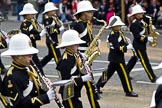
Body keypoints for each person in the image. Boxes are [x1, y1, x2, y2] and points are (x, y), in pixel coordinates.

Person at [1, 33, 55, 108]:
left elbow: (34, 92)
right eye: (27, 54)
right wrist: (45, 98)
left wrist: (43, 88)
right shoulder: (12, 77)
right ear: (17, 56)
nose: (31, 57)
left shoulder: (30, 68)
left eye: (31, 54)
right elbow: (19, 104)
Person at [56, 29, 100, 108]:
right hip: (68, 93)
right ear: (69, 45)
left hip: (75, 91)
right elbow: (66, 80)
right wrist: (82, 79)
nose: (78, 46)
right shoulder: (65, 61)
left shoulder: (75, 54)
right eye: (76, 44)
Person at [96, 15, 138, 97]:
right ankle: (128, 90)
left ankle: (97, 86)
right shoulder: (112, 36)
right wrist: (127, 47)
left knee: (108, 74)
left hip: (116, 58)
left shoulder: (119, 33)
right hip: (117, 58)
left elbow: (122, 40)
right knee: (125, 74)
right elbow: (117, 47)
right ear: (113, 26)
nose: (119, 26)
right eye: (118, 25)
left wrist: (126, 41)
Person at [70, 1, 101, 107]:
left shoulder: (86, 23)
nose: (92, 13)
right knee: (79, 86)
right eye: (90, 11)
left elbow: (88, 39)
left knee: (90, 86)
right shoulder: (75, 25)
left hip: (87, 57)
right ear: (83, 13)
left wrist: (95, 42)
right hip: (79, 57)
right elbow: (74, 42)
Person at [129, 4, 157, 83]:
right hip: (138, 46)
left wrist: (151, 27)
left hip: (141, 45)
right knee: (145, 61)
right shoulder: (134, 24)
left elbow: (146, 27)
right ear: (136, 15)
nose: (142, 14)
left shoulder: (141, 20)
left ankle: (126, 72)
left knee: (134, 59)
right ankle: (152, 77)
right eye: (140, 13)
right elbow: (137, 36)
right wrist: (147, 38)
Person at [19, 3, 47, 75]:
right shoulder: (25, 24)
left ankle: (38, 76)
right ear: (27, 14)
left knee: (33, 63)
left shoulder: (32, 21)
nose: (33, 15)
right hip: (28, 45)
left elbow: (35, 31)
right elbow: (27, 36)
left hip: (32, 45)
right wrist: (41, 34)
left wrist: (41, 30)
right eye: (31, 13)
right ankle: (42, 76)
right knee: (35, 63)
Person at [40, 2, 64, 67]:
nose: (54, 11)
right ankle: (61, 71)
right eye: (52, 10)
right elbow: (50, 30)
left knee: (50, 56)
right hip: (51, 41)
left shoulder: (54, 17)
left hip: (54, 40)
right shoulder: (47, 19)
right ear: (48, 11)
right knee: (57, 56)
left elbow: (57, 26)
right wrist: (59, 29)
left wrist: (61, 24)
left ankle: (40, 66)